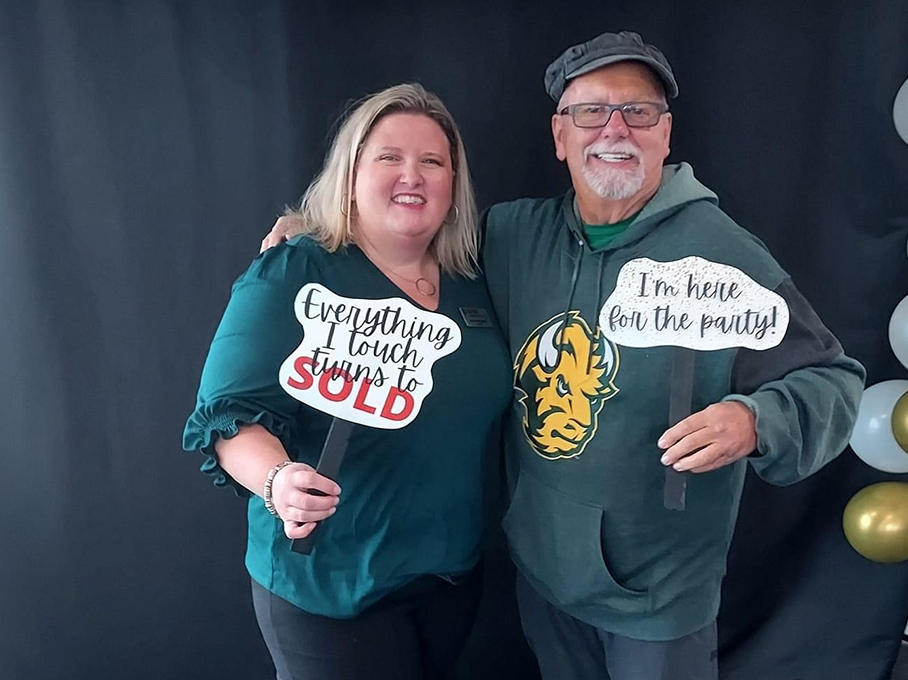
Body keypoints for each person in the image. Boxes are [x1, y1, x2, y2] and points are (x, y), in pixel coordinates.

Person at [262, 32, 865, 680]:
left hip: (659, 597)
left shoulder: (722, 254)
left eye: (638, 112)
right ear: (559, 135)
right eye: (590, 111)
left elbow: (832, 381)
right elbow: (412, 244)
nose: (615, 129)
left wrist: (755, 421)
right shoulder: (513, 235)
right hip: (545, 578)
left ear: (665, 133)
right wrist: (322, 237)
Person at [183, 83, 511, 680]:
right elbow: (226, 416)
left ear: (453, 183)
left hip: (448, 577)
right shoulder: (293, 269)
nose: (411, 175)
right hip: (328, 583)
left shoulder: (474, 280)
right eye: (389, 157)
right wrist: (278, 480)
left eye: (432, 161)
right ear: (351, 171)